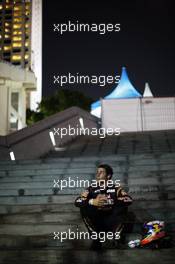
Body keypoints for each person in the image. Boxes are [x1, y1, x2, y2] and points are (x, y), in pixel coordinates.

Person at [75, 164, 133, 249]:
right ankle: (96, 239)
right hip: (97, 221)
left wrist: (110, 201)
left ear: (108, 176)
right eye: (97, 172)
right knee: (84, 208)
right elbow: (77, 201)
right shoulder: (90, 189)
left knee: (123, 206)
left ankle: (116, 238)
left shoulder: (116, 188)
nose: (97, 175)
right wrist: (92, 201)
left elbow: (129, 200)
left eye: (101, 172)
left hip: (112, 220)